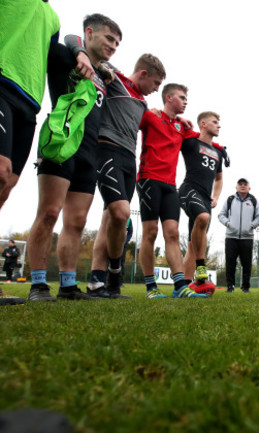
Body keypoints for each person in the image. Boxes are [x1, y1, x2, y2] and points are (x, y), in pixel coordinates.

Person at [27, 14, 121, 302]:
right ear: (89, 33)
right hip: (61, 142)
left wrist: (102, 68)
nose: (113, 46)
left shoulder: (105, 75)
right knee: (49, 213)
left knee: (77, 221)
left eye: (117, 43)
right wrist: (77, 48)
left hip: (89, 152)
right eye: (109, 38)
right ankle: (38, 285)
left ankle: (68, 286)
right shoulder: (65, 56)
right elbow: (62, 40)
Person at [85, 53, 166, 298]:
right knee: (121, 213)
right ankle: (115, 273)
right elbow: (90, 55)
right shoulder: (115, 80)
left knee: (110, 220)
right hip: (107, 150)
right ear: (143, 74)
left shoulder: (142, 103)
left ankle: (96, 283)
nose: (155, 90)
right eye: (155, 84)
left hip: (129, 160)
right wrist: (106, 67)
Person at [0, 1, 93, 211]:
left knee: (8, 184)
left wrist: (80, 52)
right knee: (1, 170)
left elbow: (53, 51)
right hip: (2, 85)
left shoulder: (53, 18)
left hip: (30, 103)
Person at [136, 83, 206, 299]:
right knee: (150, 233)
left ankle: (179, 287)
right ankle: (150, 287)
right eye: (182, 98)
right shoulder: (149, 117)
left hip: (170, 186)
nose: (186, 102)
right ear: (168, 97)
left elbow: (202, 139)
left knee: (173, 234)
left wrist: (221, 150)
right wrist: (147, 109)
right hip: (148, 180)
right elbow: (131, 120)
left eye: (187, 99)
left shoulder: (181, 127)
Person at [179, 111, 224, 289]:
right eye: (215, 122)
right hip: (188, 189)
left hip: (206, 198)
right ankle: (201, 269)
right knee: (203, 217)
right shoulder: (190, 143)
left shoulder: (218, 153)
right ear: (203, 124)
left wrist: (216, 196)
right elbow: (172, 133)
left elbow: (219, 179)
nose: (219, 125)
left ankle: (184, 285)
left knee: (193, 243)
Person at [217, 178, 259, 293]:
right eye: (240, 184)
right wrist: (228, 223)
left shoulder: (253, 200)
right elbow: (221, 215)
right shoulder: (230, 199)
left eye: (245, 184)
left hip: (247, 237)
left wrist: (252, 226)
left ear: (249, 188)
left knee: (247, 264)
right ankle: (230, 286)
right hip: (231, 237)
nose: (242, 186)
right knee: (230, 262)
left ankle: (246, 287)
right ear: (236, 187)